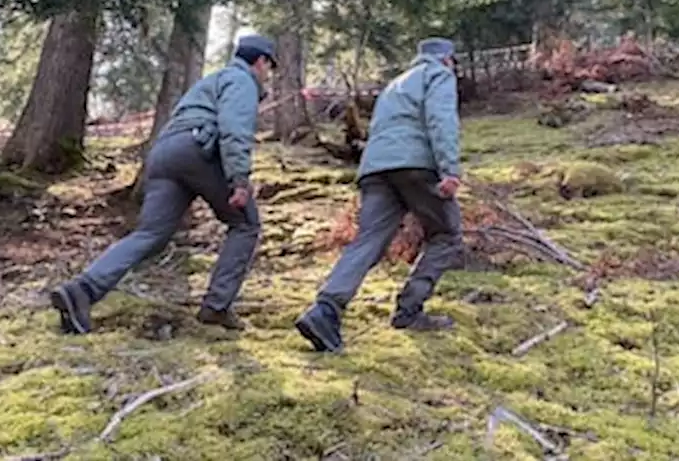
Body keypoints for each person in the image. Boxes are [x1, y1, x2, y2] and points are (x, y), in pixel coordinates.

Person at [49, 34, 276, 334]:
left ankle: (83, 290)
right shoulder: (241, 81)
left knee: (150, 234)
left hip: (164, 154)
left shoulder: (213, 80)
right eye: (269, 68)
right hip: (199, 151)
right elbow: (234, 128)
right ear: (260, 61)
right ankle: (216, 307)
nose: (268, 76)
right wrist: (239, 180)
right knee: (246, 223)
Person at [295, 37, 464, 352]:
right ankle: (409, 310)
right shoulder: (438, 76)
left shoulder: (395, 85)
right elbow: (442, 121)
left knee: (368, 241)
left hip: (376, 169)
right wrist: (450, 169)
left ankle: (325, 311)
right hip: (417, 166)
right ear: (446, 59)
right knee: (448, 234)